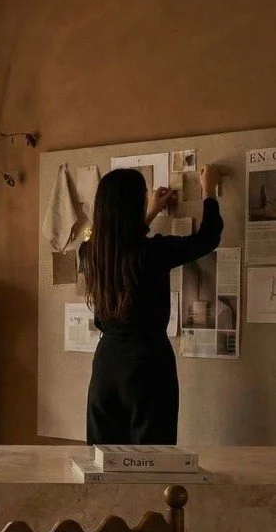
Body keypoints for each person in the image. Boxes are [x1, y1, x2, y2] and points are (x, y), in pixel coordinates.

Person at [81, 165, 223, 445]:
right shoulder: (153, 252)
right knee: (154, 460)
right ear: (133, 205)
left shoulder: (89, 253)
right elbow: (207, 238)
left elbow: (120, 245)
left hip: (106, 364)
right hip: (148, 362)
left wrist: (152, 212)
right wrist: (209, 191)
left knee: (104, 459)